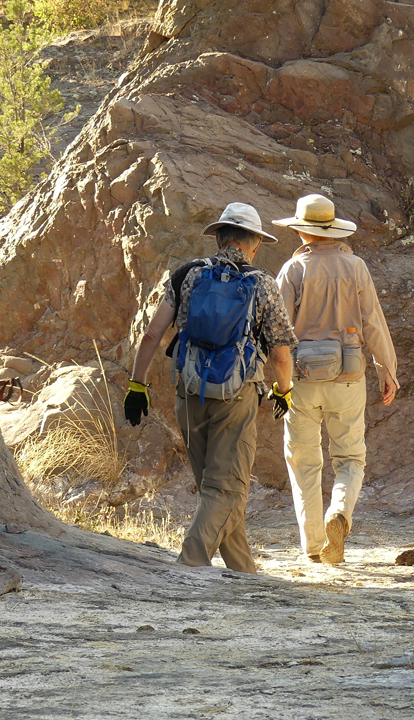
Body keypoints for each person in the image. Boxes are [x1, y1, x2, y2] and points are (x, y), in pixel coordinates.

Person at [123, 202, 297, 574]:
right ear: (255, 244)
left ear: (218, 238)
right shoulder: (262, 283)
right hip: (237, 396)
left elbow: (153, 334)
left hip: (189, 390)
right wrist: (285, 390)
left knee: (214, 487)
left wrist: (137, 384)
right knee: (227, 488)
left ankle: (242, 571)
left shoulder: (187, 275)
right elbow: (281, 355)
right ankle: (189, 564)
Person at [273, 194, 398, 564]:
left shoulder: (292, 271)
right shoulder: (356, 267)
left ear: (300, 231)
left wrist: (278, 383)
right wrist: (386, 370)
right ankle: (338, 513)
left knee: (303, 461)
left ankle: (314, 547)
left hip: (302, 381)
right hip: (349, 378)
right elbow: (373, 321)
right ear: (332, 230)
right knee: (350, 458)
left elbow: (278, 333)